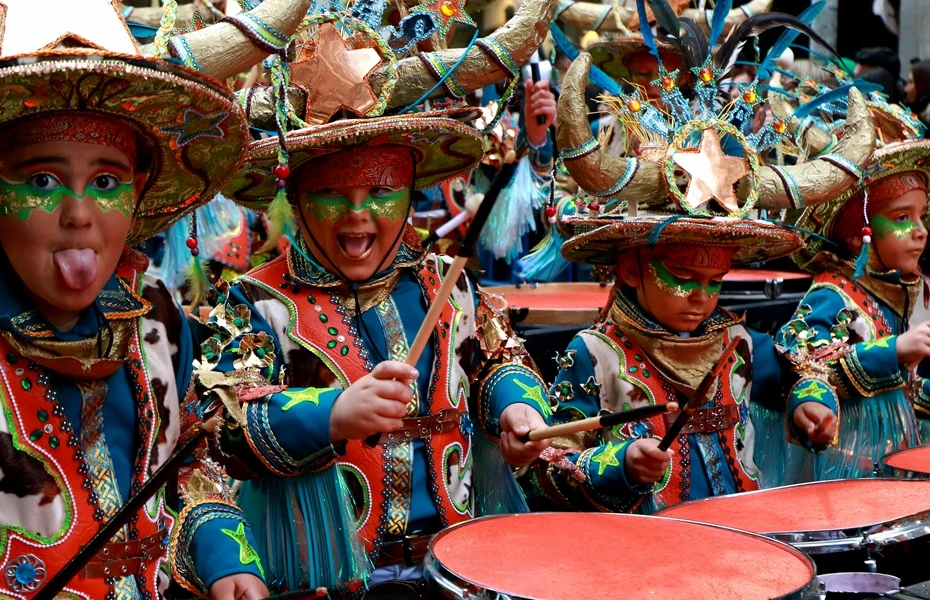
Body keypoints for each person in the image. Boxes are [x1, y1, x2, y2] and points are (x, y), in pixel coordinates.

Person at [0, 0, 311, 597]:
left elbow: (187, 473)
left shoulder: (157, 318)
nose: (78, 216)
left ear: (137, 193)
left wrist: (224, 557)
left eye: (105, 182)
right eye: (41, 180)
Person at [185, 1, 557, 594]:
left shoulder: (445, 282)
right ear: (298, 197)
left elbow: (497, 358)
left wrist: (517, 408)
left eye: (380, 192)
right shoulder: (257, 303)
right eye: (332, 193)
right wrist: (331, 415)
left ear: (412, 193)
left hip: (458, 568)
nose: (358, 216)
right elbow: (223, 432)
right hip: (326, 584)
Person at [524, 40, 872, 508]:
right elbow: (545, 465)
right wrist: (620, 465)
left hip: (739, 542)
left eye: (714, 282)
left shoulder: (738, 343)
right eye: (684, 276)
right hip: (639, 561)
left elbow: (801, 369)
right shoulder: (593, 354)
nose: (702, 298)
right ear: (630, 268)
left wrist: (812, 402)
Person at [772, 140, 930, 482]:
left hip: (890, 467)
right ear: (860, 236)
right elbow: (806, 364)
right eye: (902, 217)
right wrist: (895, 349)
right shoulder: (832, 294)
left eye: (923, 216)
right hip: (847, 473)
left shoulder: (892, 294)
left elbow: (902, 391)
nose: (921, 231)